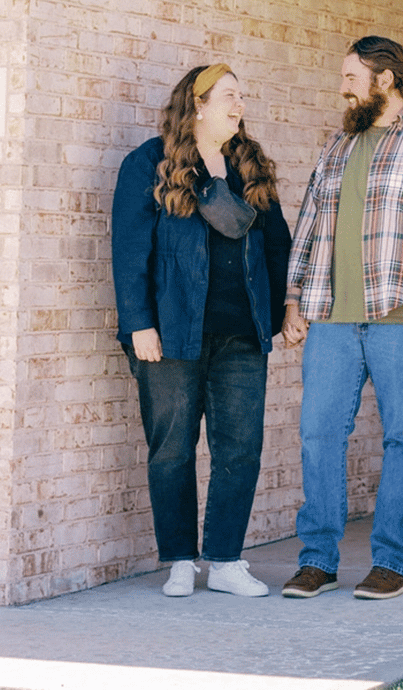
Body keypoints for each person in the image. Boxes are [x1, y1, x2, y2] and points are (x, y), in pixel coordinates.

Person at [280, 36, 403, 601]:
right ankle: (317, 561)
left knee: (402, 436)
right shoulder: (337, 145)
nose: (342, 87)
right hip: (332, 317)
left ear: (385, 79)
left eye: (351, 77)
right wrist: (294, 300)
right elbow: (310, 226)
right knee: (319, 435)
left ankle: (393, 562)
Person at [112, 64, 291, 598]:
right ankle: (180, 561)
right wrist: (138, 323)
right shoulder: (149, 162)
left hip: (242, 332)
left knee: (240, 448)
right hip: (171, 333)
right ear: (199, 104)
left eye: (241, 96)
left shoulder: (248, 164)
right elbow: (129, 251)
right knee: (171, 447)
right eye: (229, 97)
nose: (240, 106)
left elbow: (277, 242)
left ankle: (227, 560)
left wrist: (285, 307)